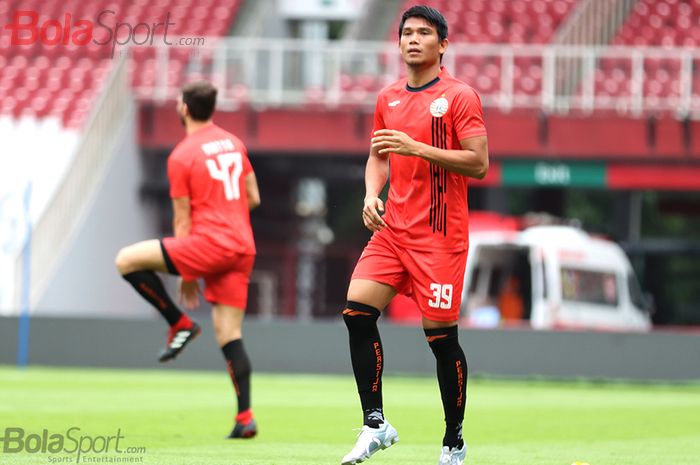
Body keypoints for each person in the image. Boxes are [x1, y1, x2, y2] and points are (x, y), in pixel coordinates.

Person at [340, 5, 489, 465]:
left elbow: (479, 163)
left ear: (443, 45)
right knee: (356, 312)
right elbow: (378, 154)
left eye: (425, 33)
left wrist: (418, 147)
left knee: (440, 340)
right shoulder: (388, 98)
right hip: (393, 231)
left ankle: (453, 441)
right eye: (407, 32)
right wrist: (371, 193)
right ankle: (375, 424)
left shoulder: (460, 96)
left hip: (441, 238)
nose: (414, 39)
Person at [114, 80, 261, 439]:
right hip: (242, 246)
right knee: (230, 334)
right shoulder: (234, 143)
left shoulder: (182, 154)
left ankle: (178, 322)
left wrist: (188, 273)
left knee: (126, 260)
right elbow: (253, 197)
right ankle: (245, 418)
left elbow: (182, 220)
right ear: (211, 108)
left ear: (183, 108)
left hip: (209, 245)